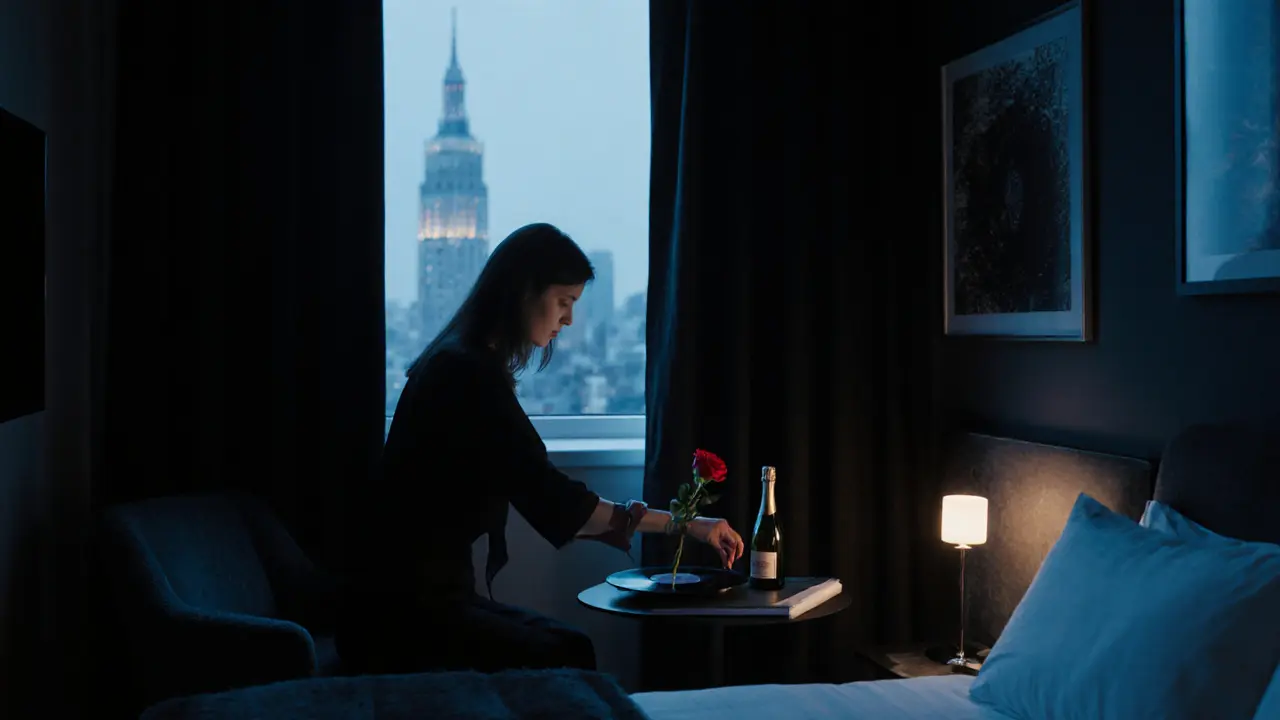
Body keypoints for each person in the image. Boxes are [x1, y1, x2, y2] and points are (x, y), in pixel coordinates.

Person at [336, 222, 745, 675]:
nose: (568, 319)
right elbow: (557, 499)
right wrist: (688, 525)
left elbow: (550, 495)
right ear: (523, 291)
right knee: (566, 654)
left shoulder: (460, 362)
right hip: (403, 612)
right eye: (563, 302)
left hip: (419, 600)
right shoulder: (466, 375)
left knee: (566, 649)